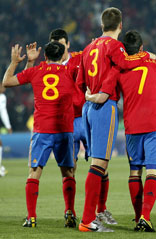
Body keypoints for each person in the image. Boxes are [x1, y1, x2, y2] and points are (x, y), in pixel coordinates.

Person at [85, 30, 156, 232]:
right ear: (141, 48)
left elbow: (103, 95)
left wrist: (89, 96)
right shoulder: (155, 64)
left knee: (135, 171)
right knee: (153, 170)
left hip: (132, 126)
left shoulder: (118, 69)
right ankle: (145, 217)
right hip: (153, 124)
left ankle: (136, 217)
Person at [76, 7, 154, 233]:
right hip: (104, 106)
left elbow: (80, 82)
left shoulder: (88, 47)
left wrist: (89, 95)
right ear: (120, 26)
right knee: (99, 164)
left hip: (88, 108)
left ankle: (95, 214)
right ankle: (87, 220)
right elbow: (128, 63)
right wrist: (146, 56)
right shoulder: (115, 46)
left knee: (99, 165)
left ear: (102, 26)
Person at [2, 42, 76, 228]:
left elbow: (7, 82)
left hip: (42, 130)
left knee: (34, 174)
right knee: (68, 173)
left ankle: (32, 217)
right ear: (62, 57)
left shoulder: (36, 71)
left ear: (45, 56)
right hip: (64, 130)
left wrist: (15, 62)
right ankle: (70, 213)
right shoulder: (70, 71)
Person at [49, 28, 117, 226]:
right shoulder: (48, 66)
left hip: (86, 115)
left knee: (100, 164)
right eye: (55, 44)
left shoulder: (81, 56)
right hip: (66, 121)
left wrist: (98, 45)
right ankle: (69, 211)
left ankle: (101, 210)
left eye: (61, 44)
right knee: (69, 169)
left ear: (68, 44)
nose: (58, 47)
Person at [0, 83, 12, 177]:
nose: (4, 87)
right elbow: (3, 112)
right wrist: (8, 126)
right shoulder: (2, 97)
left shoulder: (2, 96)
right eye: (1, 85)